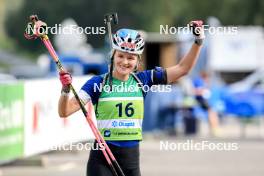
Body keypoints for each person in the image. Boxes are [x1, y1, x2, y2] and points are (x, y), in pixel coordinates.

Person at [58, 21, 205, 176]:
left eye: (130, 58)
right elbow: (65, 111)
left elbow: (183, 69)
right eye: (121, 56)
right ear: (113, 55)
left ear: (137, 61)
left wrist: (198, 41)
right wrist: (66, 90)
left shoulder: (143, 80)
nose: (125, 62)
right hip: (102, 159)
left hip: (131, 160)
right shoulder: (98, 83)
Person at [192, 71, 220, 136]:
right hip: (201, 100)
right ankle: (214, 129)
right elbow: (196, 91)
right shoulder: (199, 81)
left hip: (203, 100)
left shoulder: (201, 82)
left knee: (212, 112)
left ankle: (214, 129)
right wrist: (204, 91)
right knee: (212, 112)